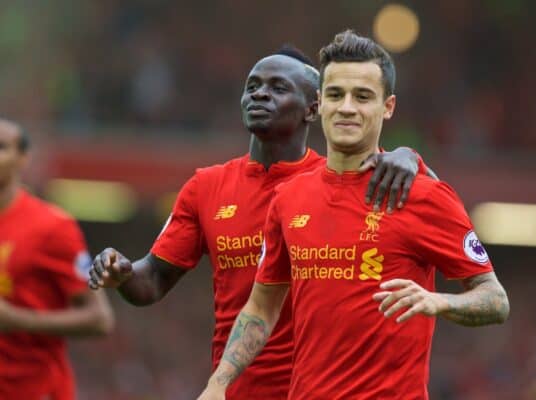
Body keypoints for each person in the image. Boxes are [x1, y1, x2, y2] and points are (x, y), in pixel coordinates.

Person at [89, 46, 437, 399]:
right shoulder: (206, 187)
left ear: (313, 108)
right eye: (252, 85)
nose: (260, 93)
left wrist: (410, 158)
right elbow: (152, 281)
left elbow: (437, 207)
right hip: (237, 391)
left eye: (278, 88)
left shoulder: (340, 180)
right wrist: (122, 273)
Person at [198, 31, 510, 400]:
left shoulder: (422, 195)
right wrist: (219, 384)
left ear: (388, 106)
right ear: (319, 103)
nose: (347, 107)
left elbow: (495, 300)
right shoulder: (288, 198)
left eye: (362, 96)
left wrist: (439, 301)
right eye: (335, 94)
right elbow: (262, 306)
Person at [0, 119, 115, 400]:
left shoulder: (51, 227)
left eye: (1, 147)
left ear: (23, 158)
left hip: (34, 389)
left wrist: (17, 319)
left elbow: (100, 319)